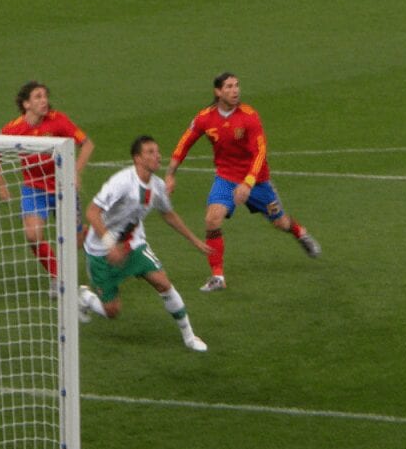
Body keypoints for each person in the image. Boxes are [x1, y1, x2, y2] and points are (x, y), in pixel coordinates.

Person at [165, 72, 320, 293]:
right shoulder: (205, 118)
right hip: (226, 178)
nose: (235, 90)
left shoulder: (249, 116)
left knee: (280, 222)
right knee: (212, 219)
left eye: (237, 85)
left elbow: (260, 152)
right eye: (229, 86)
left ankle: (299, 232)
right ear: (218, 92)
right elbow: (184, 144)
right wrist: (170, 173)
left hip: (257, 180)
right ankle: (217, 276)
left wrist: (248, 183)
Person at [79, 135, 211, 352]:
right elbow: (92, 212)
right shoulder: (121, 182)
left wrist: (194, 240)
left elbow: (168, 215)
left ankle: (189, 336)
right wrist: (111, 244)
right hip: (101, 251)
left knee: (163, 283)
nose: (157, 156)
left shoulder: (157, 186)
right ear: (137, 158)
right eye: (150, 152)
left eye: (157, 151)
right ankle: (85, 297)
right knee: (112, 311)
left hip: (132, 245)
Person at [0, 81, 94, 297]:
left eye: (45, 96)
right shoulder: (15, 128)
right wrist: (0, 184)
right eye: (38, 97)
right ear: (26, 104)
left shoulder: (58, 120)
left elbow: (87, 144)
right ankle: (58, 278)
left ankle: (89, 235)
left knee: (74, 242)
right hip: (34, 189)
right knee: (32, 235)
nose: (44, 100)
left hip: (62, 187)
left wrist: (75, 172)